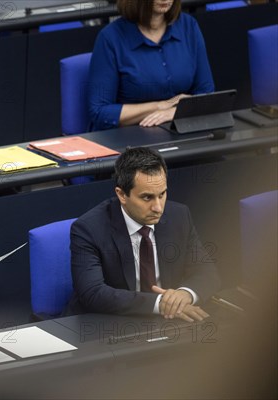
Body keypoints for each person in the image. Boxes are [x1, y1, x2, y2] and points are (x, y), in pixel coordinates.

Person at [65, 147, 220, 322]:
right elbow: (93, 293)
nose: (158, 207)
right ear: (122, 194)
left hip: (168, 320)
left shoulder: (179, 216)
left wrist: (185, 294)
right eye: (147, 198)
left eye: (162, 194)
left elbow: (207, 272)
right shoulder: (89, 229)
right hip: (109, 324)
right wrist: (160, 303)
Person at [87, 0, 215, 131]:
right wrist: (161, 106)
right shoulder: (110, 37)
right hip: (130, 136)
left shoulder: (189, 26)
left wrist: (175, 112)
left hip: (181, 128)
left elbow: (206, 93)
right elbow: (100, 112)